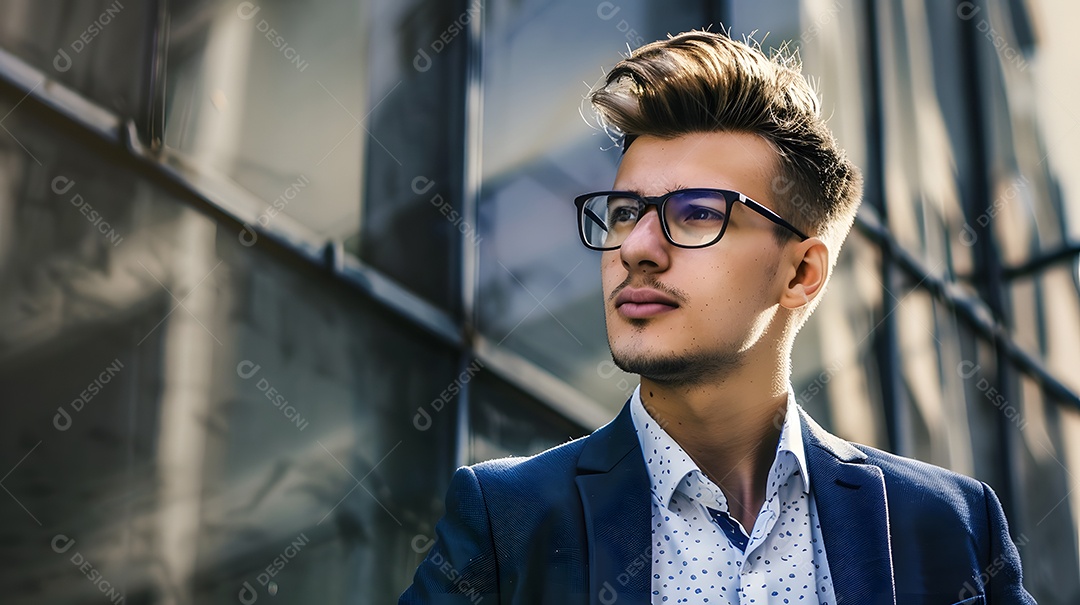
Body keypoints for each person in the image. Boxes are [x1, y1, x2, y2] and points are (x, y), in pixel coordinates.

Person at [399, 30, 1035, 604]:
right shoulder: (507, 521)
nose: (637, 248)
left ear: (801, 273)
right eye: (624, 213)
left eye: (697, 213)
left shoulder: (949, 527)